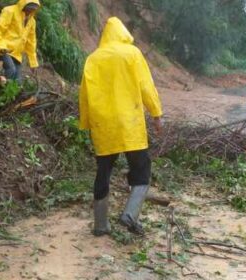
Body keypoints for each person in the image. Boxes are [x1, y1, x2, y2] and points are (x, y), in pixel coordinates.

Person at [79, 17, 163, 236]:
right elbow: (146, 84)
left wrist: (87, 123)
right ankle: (130, 214)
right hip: (130, 124)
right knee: (141, 168)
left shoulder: (93, 58)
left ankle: (100, 225)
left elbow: (85, 95)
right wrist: (156, 113)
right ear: (123, 33)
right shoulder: (132, 53)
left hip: (103, 125)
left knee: (103, 171)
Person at [0, 0, 40, 83]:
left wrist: (33, 63)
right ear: (24, 5)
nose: (30, 11)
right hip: (4, 49)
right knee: (11, 70)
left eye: (32, 9)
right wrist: (1, 46)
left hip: (17, 54)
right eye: (29, 8)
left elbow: (31, 43)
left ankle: (9, 93)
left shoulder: (32, 22)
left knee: (17, 81)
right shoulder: (9, 11)